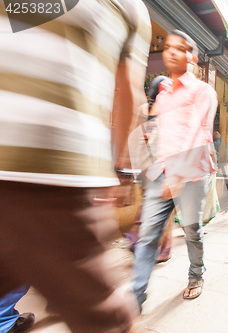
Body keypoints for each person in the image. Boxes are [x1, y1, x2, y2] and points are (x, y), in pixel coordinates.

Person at [0, 1, 151, 332]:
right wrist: (119, 172)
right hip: (52, 176)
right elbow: (129, 96)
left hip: (49, 176)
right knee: (106, 319)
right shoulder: (129, 8)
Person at [132, 29, 218, 309]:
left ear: (191, 56)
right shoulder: (163, 94)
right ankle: (136, 296)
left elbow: (198, 133)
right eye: (167, 47)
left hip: (190, 176)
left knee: (192, 231)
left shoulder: (203, 91)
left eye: (179, 48)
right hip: (161, 175)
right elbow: (156, 134)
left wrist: (179, 176)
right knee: (147, 236)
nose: (170, 52)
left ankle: (196, 275)